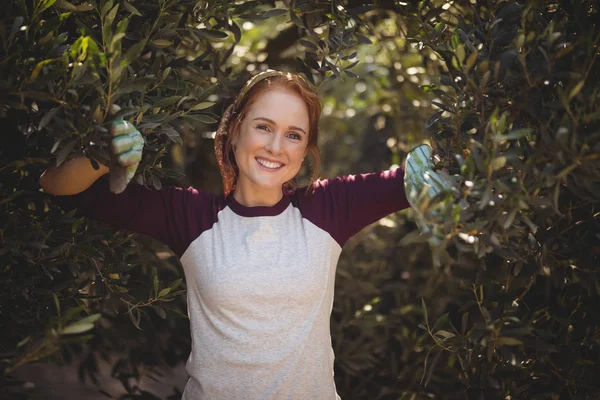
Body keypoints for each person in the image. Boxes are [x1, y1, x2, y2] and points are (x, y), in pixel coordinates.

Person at [40, 70, 444, 399]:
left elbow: (419, 175)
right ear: (233, 132)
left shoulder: (328, 209)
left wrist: (430, 166)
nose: (275, 146)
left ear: (305, 151)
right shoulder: (190, 216)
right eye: (263, 126)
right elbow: (62, 190)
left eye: (294, 134)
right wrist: (102, 156)